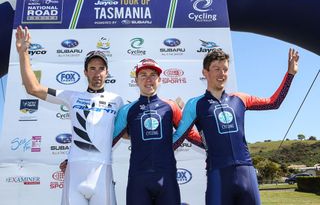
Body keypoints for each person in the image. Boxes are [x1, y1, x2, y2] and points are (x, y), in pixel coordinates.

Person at [173, 48, 299, 205]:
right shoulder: (195, 104)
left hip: (246, 174)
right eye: (216, 69)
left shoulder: (240, 99)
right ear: (205, 72)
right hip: (218, 176)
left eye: (225, 69)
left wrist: (290, 74)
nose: (222, 73)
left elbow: (274, 102)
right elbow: (177, 138)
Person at [16, 26, 123, 205]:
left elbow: (132, 127)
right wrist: (23, 52)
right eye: (92, 68)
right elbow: (33, 88)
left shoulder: (117, 100)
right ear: (85, 72)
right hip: (75, 172)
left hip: (102, 171)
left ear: (107, 72)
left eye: (101, 68)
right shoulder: (72, 96)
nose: (97, 73)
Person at [112, 58, 201, 205]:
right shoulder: (127, 111)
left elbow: (189, 133)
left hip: (166, 178)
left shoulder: (170, 106)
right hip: (138, 180)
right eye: (143, 75)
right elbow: (108, 141)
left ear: (159, 80)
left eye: (153, 75)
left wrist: (211, 146)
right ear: (136, 81)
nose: (148, 79)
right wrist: (72, 158)